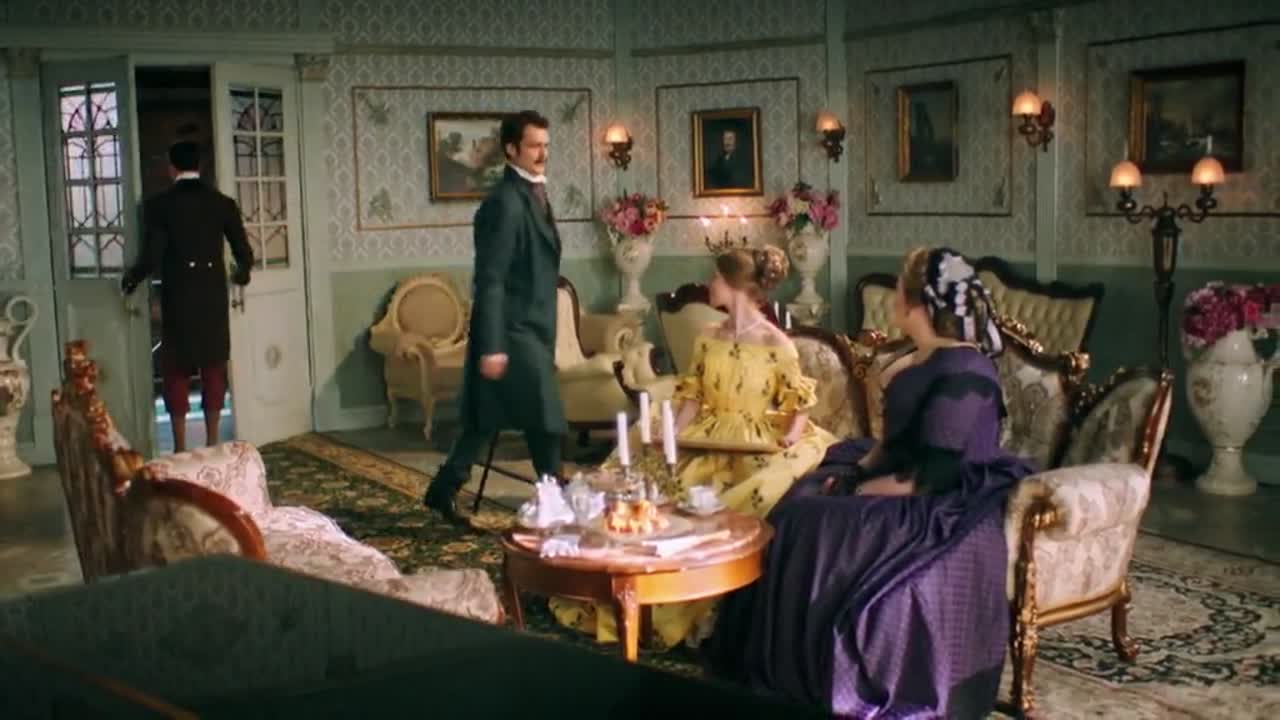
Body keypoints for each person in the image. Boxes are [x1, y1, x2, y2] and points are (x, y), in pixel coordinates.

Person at [711, 246, 1036, 719]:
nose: (894, 298)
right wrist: (856, 473)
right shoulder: (922, 357)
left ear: (918, 303)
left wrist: (859, 492)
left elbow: (931, 475)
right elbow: (889, 444)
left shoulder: (966, 371)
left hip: (938, 499)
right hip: (899, 475)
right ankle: (779, 660)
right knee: (797, 500)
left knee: (812, 522)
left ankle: (824, 671)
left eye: (900, 289)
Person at [549, 245, 836, 648]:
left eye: (716, 277)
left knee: (728, 498)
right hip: (705, 432)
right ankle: (621, 584)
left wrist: (790, 435)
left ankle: (686, 605)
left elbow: (798, 402)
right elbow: (692, 396)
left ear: (734, 284)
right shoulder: (708, 336)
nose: (709, 283)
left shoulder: (777, 343)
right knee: (651, 484)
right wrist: (671, 437)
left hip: (753, 439)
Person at [423, 110, 565, 526]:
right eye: (535, 146)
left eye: (546, 146)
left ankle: (443, 489)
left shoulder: (533, 194)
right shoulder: (504, 203)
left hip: (532, 329)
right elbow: (491, 279)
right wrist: (492, 345)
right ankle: (556, 497)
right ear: (511, 149)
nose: (543, 154)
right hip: (512, 332)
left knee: (485, 419)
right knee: (545, 418)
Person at [122, 141, 253, 453]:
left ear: (171, 167)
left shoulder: (159, 205)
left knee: (176, 369)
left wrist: (131, 279)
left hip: (178, 293)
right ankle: (212, 441)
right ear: (201, 165)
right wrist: (240, 276)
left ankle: (180, 446)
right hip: (212, 293)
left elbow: (152, 256)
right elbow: (244, 253)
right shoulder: (222, 203)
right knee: (213, 366)